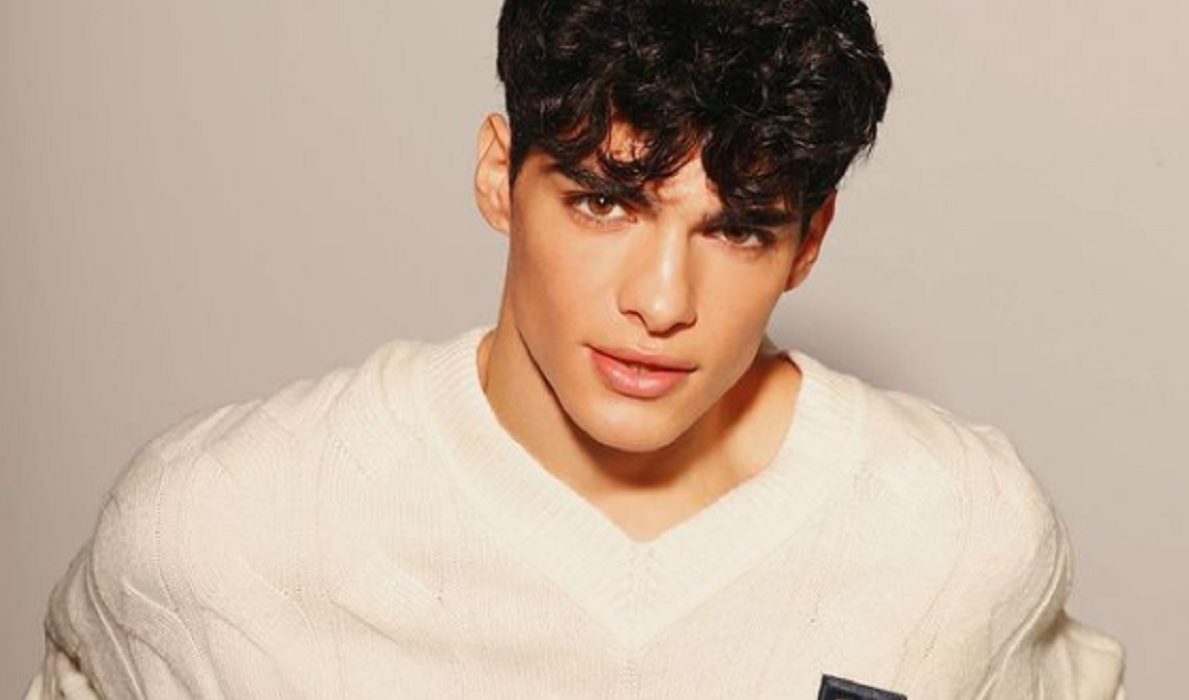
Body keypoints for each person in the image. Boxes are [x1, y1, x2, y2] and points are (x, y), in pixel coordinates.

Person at [25, 0, 1127, 698]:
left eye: (739, 229)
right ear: (498, 178)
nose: (662, 300)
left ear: (809, 243)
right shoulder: (222, 533)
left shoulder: (954, 532)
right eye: (606, 202)